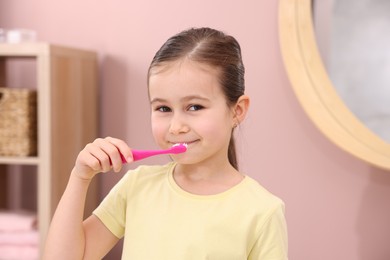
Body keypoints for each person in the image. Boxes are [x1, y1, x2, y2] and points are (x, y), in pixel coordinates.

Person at [43, 27, 288, 260]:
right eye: (163, 108)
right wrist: (80, 176)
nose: (176, 126)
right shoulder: (137, 186)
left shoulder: (262, 211)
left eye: (194, 107)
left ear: (237, 110)